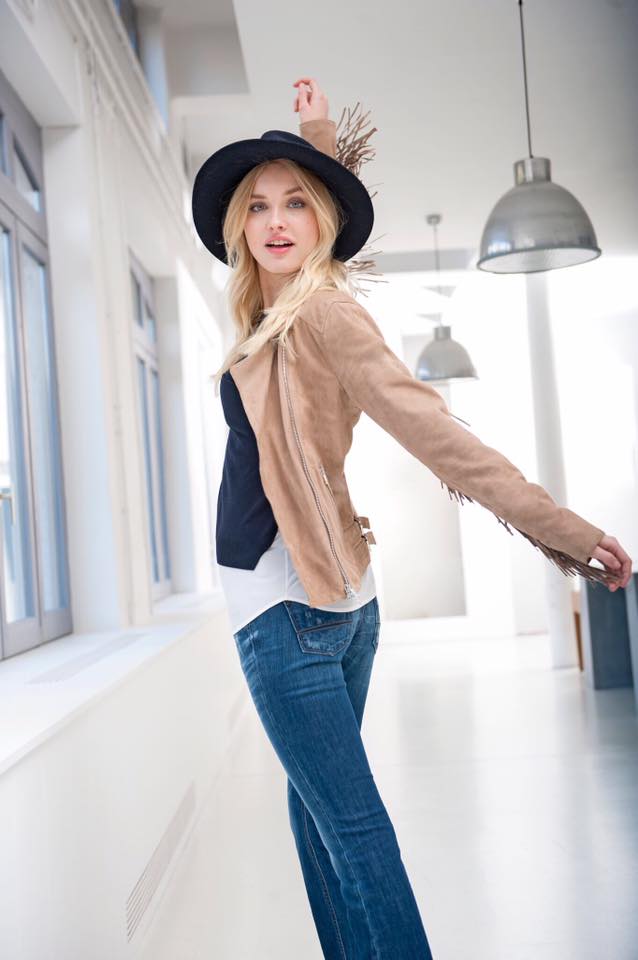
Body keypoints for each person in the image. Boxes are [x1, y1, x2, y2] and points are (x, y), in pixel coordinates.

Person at [191, 77, 632, 960]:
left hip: (288, 614)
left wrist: (564, 531)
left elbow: (436, 433)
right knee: (320, 821)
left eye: (298, 203)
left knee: (351, 834)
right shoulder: (277, 310)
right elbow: (310, 241)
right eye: (260, 205)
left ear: (323, 221)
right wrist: (317, 138)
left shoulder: (322, 312)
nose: (277, 221)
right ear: (240, 224)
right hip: (337, 604)